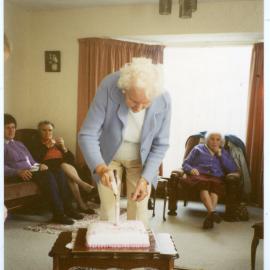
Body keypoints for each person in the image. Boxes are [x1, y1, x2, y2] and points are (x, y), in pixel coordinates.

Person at [78, 57, 171, 226]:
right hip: (108, 157)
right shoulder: (109, 86)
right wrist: (100, 168)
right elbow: (87, 134)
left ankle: (133, 250)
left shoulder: (163, 99)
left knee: (139, 214)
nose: (139, 108)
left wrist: (145, 179)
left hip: (141, 159)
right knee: (108, 211)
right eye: (134, 101)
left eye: (145, 103)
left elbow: (160, 144)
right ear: (124, 90)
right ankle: (108, 250)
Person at [4, 114, 83, 225]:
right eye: (7, 127)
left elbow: (31, 161)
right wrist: (17, 172)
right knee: (47, 175)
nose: (11, 130)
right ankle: (58, 214)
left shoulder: (19, 144)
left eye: (13, 127)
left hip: (31, 170)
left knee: (58, 171)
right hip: (18, 175)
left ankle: (68, 209)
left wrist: (39, 165)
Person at [32, 120, 95, 214]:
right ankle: (83, 193)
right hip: (52, 168)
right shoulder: (36, 145)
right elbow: (35, 159)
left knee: (67, 172)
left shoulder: (57, 144)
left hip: (65, 168)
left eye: (50, 130)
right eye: (44, 130)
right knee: (64, 168)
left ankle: (81, 204)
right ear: (39, 131)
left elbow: (71, 160)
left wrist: (64, 148)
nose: (47, 133)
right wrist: (46, 147)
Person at [182, 132, 238, 229]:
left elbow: (232, 169)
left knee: (215, 187)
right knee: (204, 184)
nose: (215, 142)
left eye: (218, 139)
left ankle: (210, 216)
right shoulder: (198, 148)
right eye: (212, 139)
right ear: (207, 139)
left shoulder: (224, 152)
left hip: (216, 177)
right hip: (200, 176)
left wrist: (220, 155)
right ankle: (212, 213)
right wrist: (191, 169)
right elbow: (185, 164)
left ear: (221, 142)